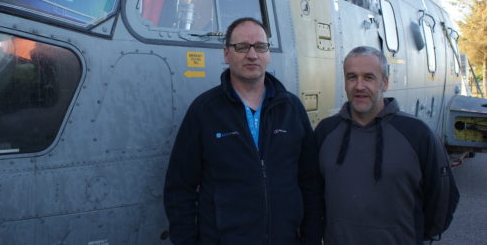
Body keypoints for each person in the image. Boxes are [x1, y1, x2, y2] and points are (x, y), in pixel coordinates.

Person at [164, 17, 323, 245]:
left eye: (260, 46)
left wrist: (311, 238)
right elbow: (179, 188)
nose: (252, 55)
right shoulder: (204, 111)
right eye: (241, 47)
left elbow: (310, 183)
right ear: (226, 54)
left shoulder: (291, 109)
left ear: (268, 53)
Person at [315, 46, 459, 245]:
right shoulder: (325, 132)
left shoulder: (416, 134)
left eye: (368, 77)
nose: (359, 86)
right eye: (351, 77)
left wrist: (416, 237)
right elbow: (313, 195)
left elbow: (443, 197)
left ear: (385, 82)